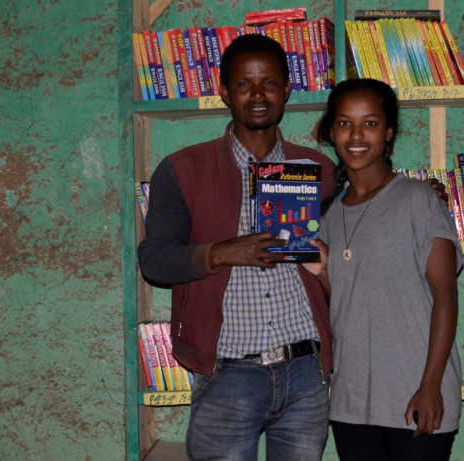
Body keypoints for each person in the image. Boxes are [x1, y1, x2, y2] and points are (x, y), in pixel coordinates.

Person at [137, 34, 336, 461]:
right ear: (225, 92)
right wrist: (222, 252)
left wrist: (420, 193)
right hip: (227, 374)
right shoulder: (183, 169)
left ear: (287, 89)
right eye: (244, 84)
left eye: (269, 82)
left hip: (306, 371)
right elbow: (153, 260)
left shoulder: (317, 169)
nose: (258, 94)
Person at [305, 78, 464, 461]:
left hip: (417, 392)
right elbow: (349, 304)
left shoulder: (419, 200)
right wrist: (325, 274)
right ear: (331, 131)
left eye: (371, 123)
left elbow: (446, 297)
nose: (356, 135)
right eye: (345, 123)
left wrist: (431, 385)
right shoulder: (325, 216)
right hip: (352, 399)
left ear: (389, 132)